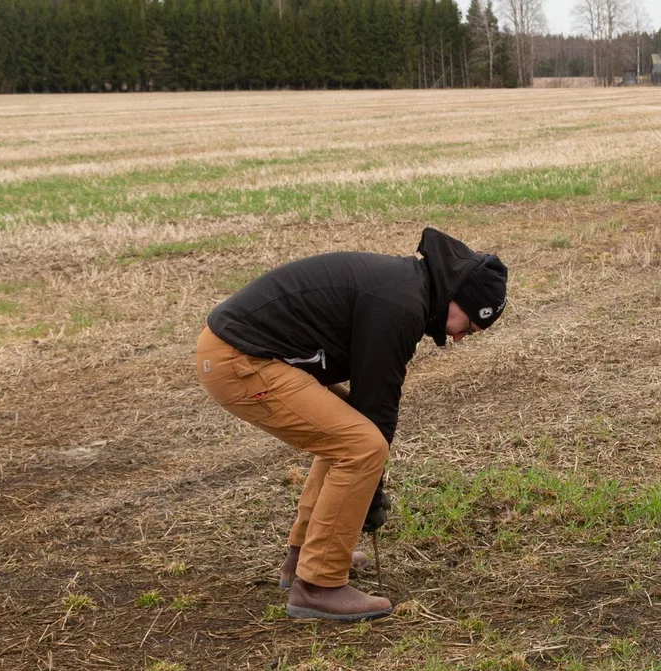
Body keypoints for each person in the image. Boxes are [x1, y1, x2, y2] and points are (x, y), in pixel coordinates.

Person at [195, 227, 508, 621]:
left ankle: (305, 560)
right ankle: (319, 586)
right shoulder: (400, 303)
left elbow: (372, 405)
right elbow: (379, 406)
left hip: (243, 352)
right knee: (361, 445)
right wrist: (370, 495)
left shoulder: (406, 289)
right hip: (241, 360)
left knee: (350, 433)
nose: (461, 338)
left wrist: (370, 490)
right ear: (459, 298)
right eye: (469, 326)